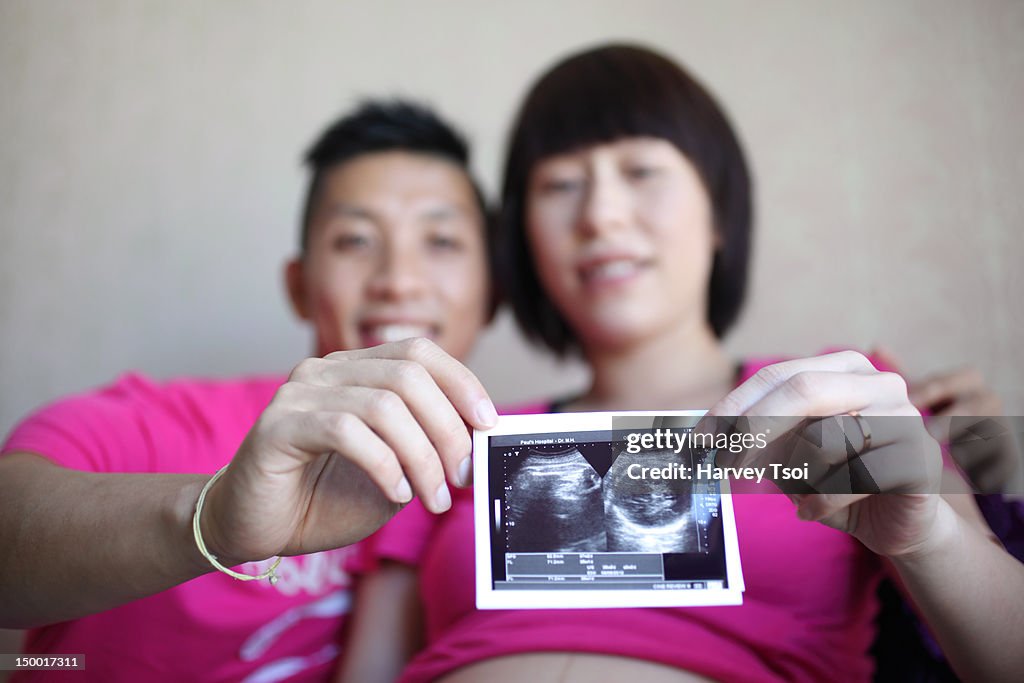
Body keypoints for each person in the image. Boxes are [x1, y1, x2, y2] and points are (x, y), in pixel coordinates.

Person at [339, 45, 1024, 683]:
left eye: (640, 170)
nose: (601, 214)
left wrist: (930, 533)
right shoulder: (451, 425)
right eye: (560, 185)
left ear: (719, 211)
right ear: (522, 239)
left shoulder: (843, 396)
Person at [0, 99, 500, 681]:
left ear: (495, 292)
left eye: (441, 241)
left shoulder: (499, 477)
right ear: (298, 284)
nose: (398, 280)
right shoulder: (164, 421)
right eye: (355, 240)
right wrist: (213, 516)